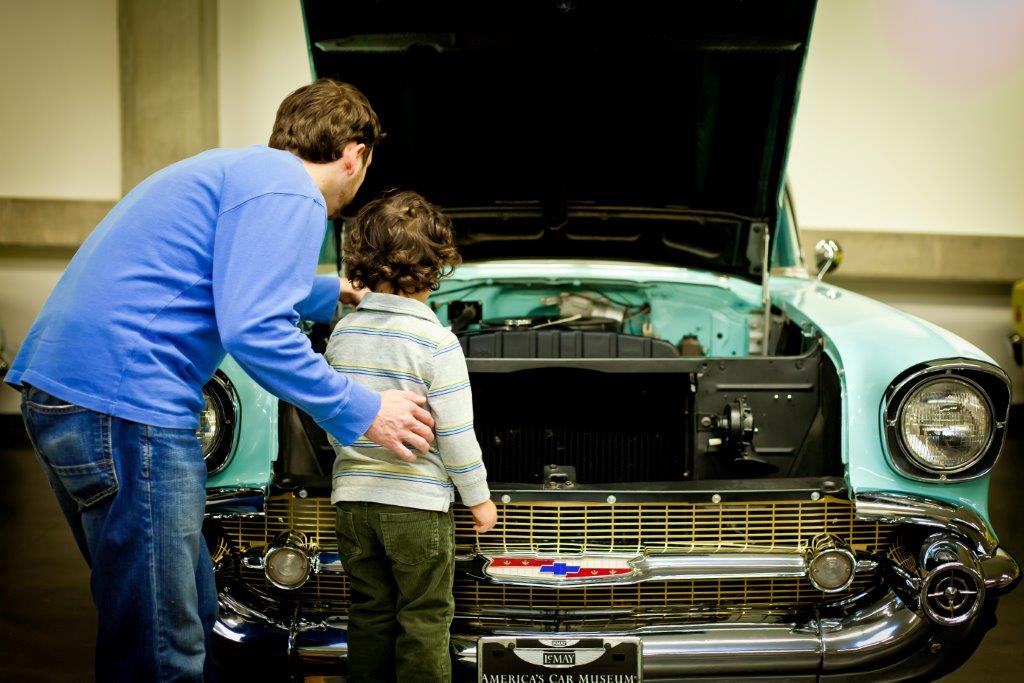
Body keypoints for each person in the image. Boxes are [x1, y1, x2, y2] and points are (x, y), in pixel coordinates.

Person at [4, 79, 435, 681]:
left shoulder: (238, 171)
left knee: (169, 613)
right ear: (355, 154)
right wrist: (361, 408)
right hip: (128, 408)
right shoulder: (295, 195)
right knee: (160, 646)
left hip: (67, 393)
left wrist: (328, 291)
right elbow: (255, 327)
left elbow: (223, 277)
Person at [326, 191, 497, 682]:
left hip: (353, 505)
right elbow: (457, 435)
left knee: (370, 613)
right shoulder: (437, 343)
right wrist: (478, 499)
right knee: (423, 618)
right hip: (416, 506)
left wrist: (350, 451)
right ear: (433, 270)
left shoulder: (343, 334)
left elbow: (329, 410)